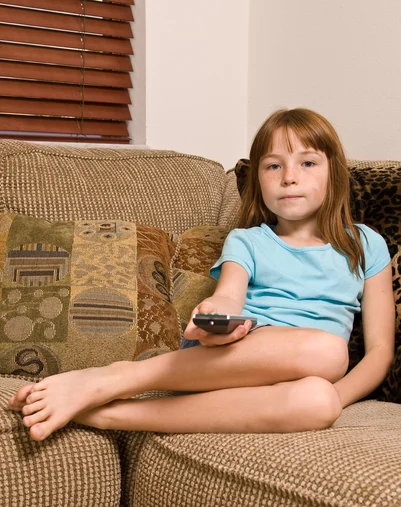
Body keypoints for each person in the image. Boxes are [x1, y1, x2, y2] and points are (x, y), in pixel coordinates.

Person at [8, 108, 395, 442]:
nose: (289, 177)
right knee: (327, 350)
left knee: (321, 401)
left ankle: (107, 415)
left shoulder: (365, 245)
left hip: (301, 384)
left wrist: (338, 395)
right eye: (273, 165)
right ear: (259, 180)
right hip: (234, 358)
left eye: (307, 163)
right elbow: (229, 295)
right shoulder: (248, 241)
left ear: (335, 174)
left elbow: (379, 351)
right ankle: (116, 377)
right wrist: (215, 316)